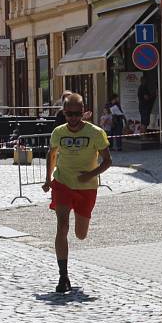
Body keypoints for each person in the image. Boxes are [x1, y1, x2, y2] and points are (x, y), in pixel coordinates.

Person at [42, 93, 112, 293]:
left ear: (83, 112)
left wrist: (90, 174)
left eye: (77, 114)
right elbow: (52, 154)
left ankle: (65, 272)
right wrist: (48, 179)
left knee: (80, 235)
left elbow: (108, 161)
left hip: (87, 187)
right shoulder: (58, 132)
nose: (73, 118)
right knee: (62, 226)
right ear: (63, 112)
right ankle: (63, 276)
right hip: (62, 183)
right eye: (69, 114)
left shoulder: (96, 133)